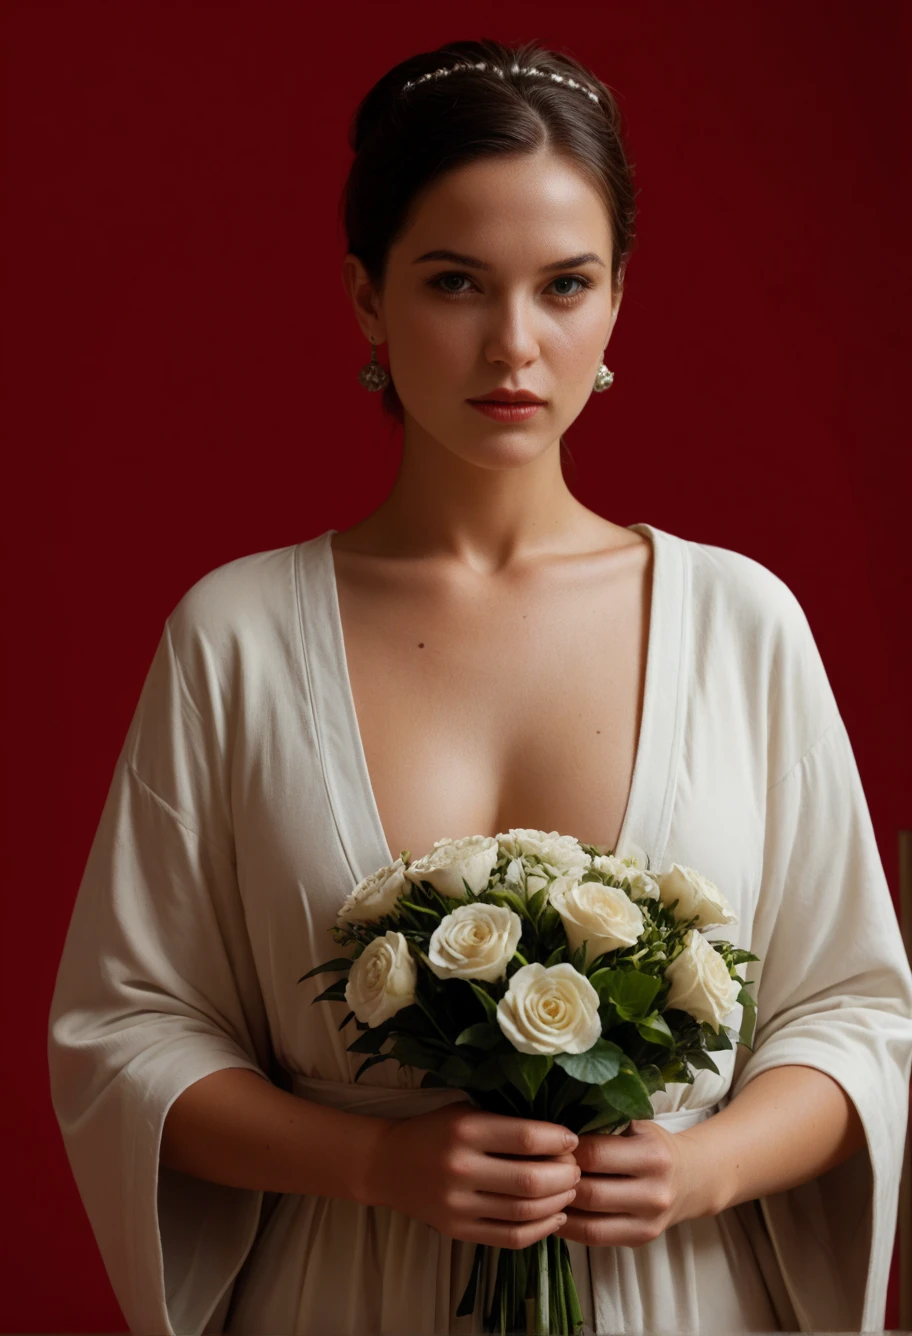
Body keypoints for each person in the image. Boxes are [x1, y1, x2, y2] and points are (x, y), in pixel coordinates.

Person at [47, 35, 912, 1336]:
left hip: (679, 1301)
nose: (514, 344)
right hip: (345, 1297)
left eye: (565, 284)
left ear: (619, 300)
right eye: (455, 282)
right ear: (366, 297)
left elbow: (855, 1010)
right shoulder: (230, 637)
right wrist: (375, 1162)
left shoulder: (742, 621)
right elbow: (124, 1029)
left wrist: (699, 1168)